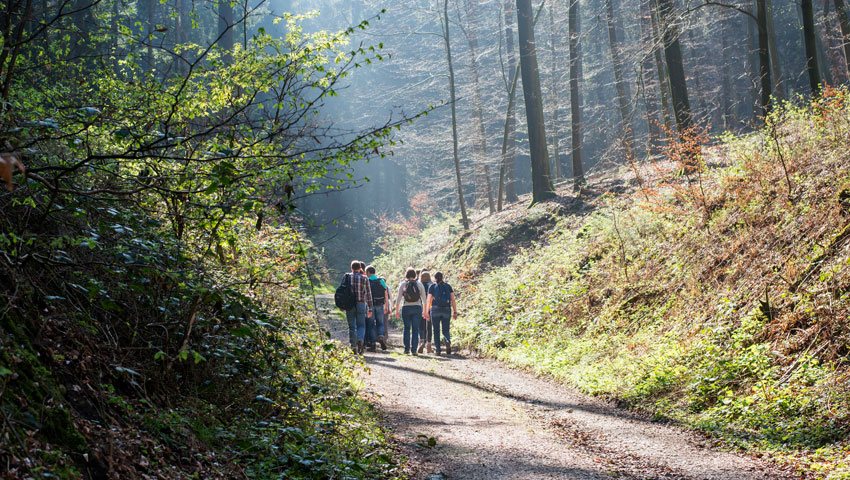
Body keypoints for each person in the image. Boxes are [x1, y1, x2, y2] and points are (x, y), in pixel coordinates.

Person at [341, 260, 373, 354]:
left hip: (349, 305)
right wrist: (370, 308)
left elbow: (341, 292)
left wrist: (342, 305)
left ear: (351, 268)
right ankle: (360, 339)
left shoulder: (346, 277)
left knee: (351, 326)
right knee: (361, 325)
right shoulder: (364, 278)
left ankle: (353, 346)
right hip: (361, 304)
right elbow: (368, 294)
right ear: (360, 269)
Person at [425, 271, 458, 355]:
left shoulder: (432, 286)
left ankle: (438, 349)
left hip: (435, 309)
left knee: (436, 330)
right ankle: (447, 340)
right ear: (442, 277)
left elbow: (428, 300)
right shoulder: (448, 286)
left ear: (435, 278)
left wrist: (426, 311)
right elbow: (453, 300)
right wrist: (455, 312)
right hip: (446, 309)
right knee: (446, 329)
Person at [394, 267, 425, 355]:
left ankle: (407, 349)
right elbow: (424, 299)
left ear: (406, 275)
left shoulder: (403, 284)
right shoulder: (419, 284)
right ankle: (414, 350)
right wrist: (425, 311)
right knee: (415, 329)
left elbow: (398, 299)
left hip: (406, 308)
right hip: (417, 308)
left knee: (407, 328)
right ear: (415, 275)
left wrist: (396, 310)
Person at [365, 265, 390, 351]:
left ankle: (372, 344)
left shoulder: (367, 281)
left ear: (368, 273)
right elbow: (386, 293)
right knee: (380, 323)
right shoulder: (381, 281)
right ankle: (381, 336)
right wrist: (386, 305)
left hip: (370, 305)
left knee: (371, 324)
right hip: (380, 305)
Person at [417, 270, 434, 354]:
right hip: (430, 308)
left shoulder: (419, 285)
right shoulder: (432, 285)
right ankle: (429, 345)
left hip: (420, 307)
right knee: (429, 326)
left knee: (421, 326)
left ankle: (422, 341)